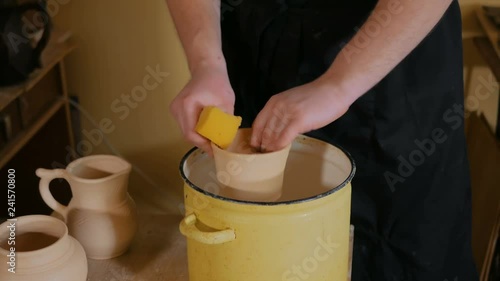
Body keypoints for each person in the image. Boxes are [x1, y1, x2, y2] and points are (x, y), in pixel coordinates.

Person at [166, 0, 479, 280]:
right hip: (256, 43)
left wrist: (339, 84)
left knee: (396, 253)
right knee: (260, 246)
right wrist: (206, 63)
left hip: (388, 58)